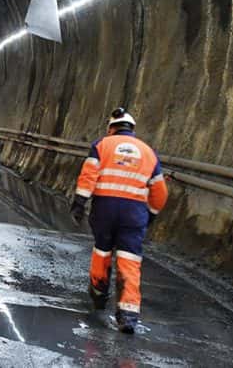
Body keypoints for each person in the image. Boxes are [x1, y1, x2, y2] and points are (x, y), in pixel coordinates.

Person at [70, 107, 168, 334]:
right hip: (134, 213)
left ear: (111, 128)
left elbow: (88, 176)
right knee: (129, 259)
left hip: (104, 209)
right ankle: (128, 315)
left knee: (102, 251)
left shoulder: (102, 145)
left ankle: (98, 294)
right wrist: (150, 214)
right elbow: (160, 191)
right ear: (132, 128)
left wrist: (79, 202)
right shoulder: (148, 153)